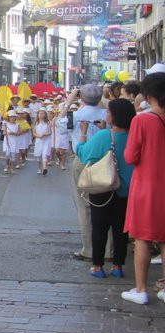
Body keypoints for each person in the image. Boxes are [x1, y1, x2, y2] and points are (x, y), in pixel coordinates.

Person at [77, 99, 135, 281]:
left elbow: (84, 153)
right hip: (127, 190)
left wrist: (83, 135)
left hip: (104, 188)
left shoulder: (104, 137)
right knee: (121, 229)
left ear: (115, 115)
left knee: (100, 228)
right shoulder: (135, 136)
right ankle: (118, 266)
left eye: (108, 112)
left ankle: (98, 266)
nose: (105, 114)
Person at [120, 72, 165, 305]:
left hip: (147, 185)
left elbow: (130, 156)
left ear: (148, 95)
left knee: (143, 239)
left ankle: (140, 289)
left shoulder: (142, 120)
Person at [69, 85, 108, 262]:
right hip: (106, 159)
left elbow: (60, 124)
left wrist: (70, 100)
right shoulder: (107, 114)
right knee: (107, 204)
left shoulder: (75, 115)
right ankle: (108, 250)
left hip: (83, 158)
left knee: (84, 205)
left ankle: (89, 248)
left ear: (81, 97)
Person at [32, 109, 53, 176]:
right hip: (38, 141)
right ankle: (39, 168)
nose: (41, 115)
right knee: (38, 156)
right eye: (40, 113)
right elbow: (34, 133)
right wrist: (38, 136)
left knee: (44, 154)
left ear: (45, 115)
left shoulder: (48, 123)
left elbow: (50, 132)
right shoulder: (35, 123)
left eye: (42, 113)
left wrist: (44, 134)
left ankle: (44, 168)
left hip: (46, 141)